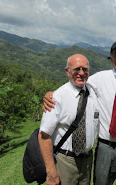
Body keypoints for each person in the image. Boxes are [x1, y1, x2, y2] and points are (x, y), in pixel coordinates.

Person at [43, 41, 116, 185]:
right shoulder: (99, 78)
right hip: (107, 148)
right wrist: (52, 94)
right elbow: (76, 82)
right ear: (111, 57)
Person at [38, 54, 99, 185]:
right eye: (77, 69)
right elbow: (44, 136)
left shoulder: (93, 92)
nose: (81, 73)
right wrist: (51, 171)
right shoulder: (57, 98)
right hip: (65, 161)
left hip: (87, 161)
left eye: (85, 69)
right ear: (68, 71)